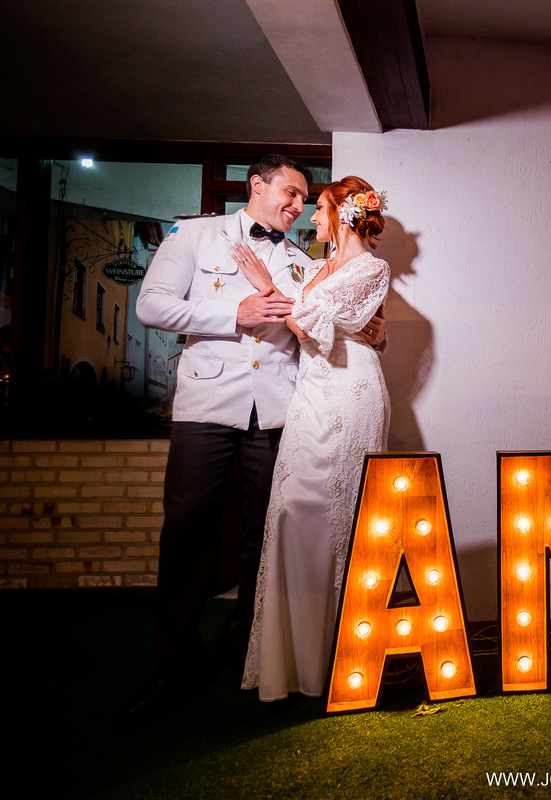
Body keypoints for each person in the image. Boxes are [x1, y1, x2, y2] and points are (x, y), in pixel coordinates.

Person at [129, 155, 384, 717]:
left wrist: (368, 333)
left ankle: (247, 651)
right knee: (188, 528)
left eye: (304, 200)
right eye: (290, 194)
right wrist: (232, 314)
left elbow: (315, 323)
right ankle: (173, 660)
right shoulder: (195, 233)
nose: (297, 207)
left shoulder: (302, 259)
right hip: (207, 406)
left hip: (278, 413)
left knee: (261, 534)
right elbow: (150, 305)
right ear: (257, 184)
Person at [233, 176, 392, 701]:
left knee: (339, 514)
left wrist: (265, 287)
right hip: (311, 393)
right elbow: (313, 321)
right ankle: (292, 663)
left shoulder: (372, 267)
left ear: (343, 213)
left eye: (320, 210)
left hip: (350, 391)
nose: (311, 219)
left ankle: (338, 661)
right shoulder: (318, 266)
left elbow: (308, 324)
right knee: (294, 512)